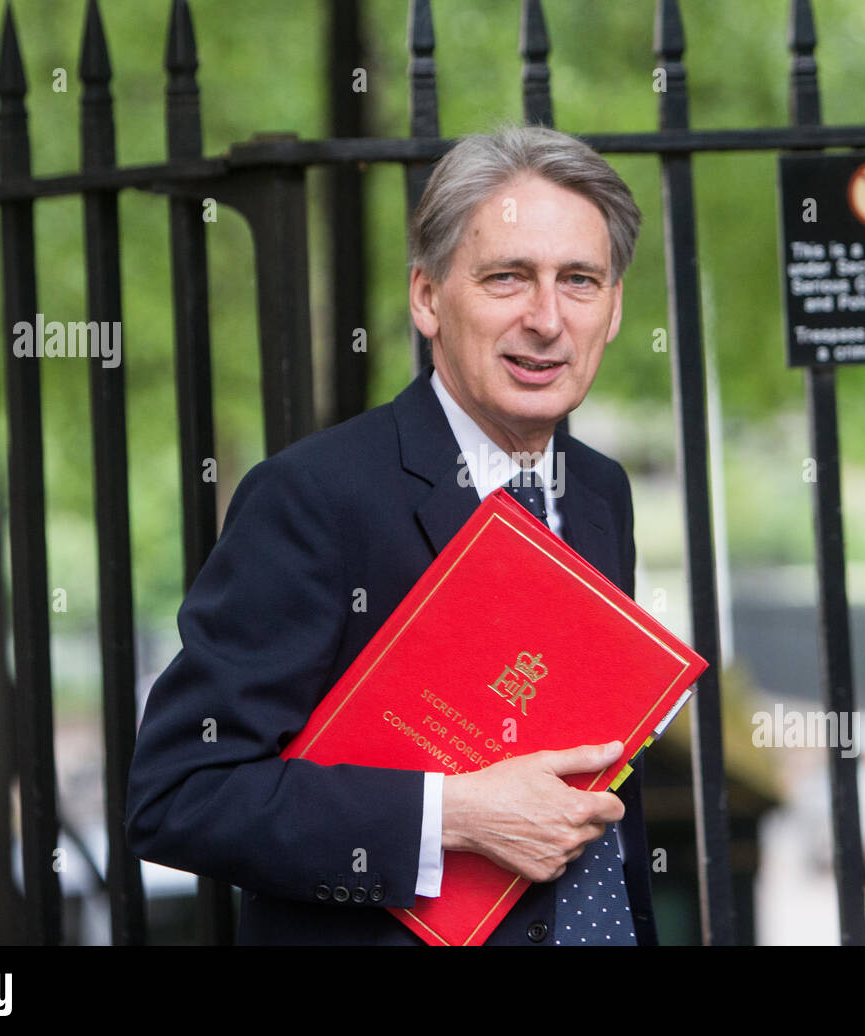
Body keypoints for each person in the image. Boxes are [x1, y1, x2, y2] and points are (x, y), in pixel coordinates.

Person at [125, 123, 657, 945]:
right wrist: (452, 815)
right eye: (508, 277)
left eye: (579, 280)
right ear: (427, 298)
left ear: (614, 310)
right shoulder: (312, 497)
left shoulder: (600, 492)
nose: (547, 319)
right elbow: (182, 792)